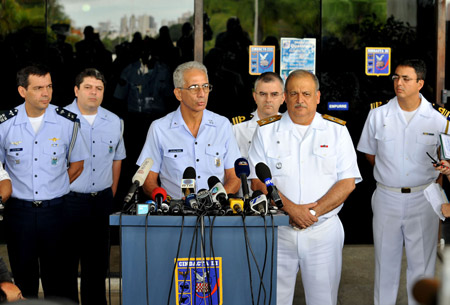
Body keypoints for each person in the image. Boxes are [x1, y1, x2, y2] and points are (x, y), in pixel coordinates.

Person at [248, 69, 361, 305]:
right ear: (285, 98)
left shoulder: (337, 131)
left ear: (318, 97)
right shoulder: (266, 130)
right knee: (273, 299)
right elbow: (257, 181)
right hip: (277, 230)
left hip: (323, 230)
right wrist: (291, 209)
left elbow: (347, 182)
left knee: (323, 300)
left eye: (307, 94)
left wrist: (311, 213)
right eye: (294, 93)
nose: (300, 99)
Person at [357, 59, 448, 305]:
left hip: (424, 196)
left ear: (420, 83)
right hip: (387, 196)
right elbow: (369, 154)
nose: (399, 83)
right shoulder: (378, 114)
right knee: (385, 263)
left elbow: (445, 160)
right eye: (396, 77)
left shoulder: (439, 119)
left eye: (406, 79)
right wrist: (393, 174)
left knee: (422, 266)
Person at [0, 65, 88, 300]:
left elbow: (77, 165)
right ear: (22, 91)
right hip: (19, 214)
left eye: (48, 86)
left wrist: (52, 186)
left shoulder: (67, 121)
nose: (46, 93)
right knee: (23, 282)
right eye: (38, 88)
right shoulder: (5, 124)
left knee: (58, 282)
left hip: (56, 212)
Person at [64, 68, 126, 304]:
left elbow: (117, 159)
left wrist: (110, 192)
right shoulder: (60, 118)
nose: (94, 92)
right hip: (67, 200)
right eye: (88, 87)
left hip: (100, 201)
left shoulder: (114, 121)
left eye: (99, 88)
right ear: (76, 90)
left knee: (97, 266)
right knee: (66, 264)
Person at [137, 61, 241, 198]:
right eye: (194, 87)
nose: (202, 93)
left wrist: (216, 200)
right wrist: (166, 202)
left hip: (215, 213)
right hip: (174, 213)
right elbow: (148, 180)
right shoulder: (159, 128)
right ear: (178, 93)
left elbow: (234, 178)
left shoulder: (222, 125)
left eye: (205, 86)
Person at [232, 72, 285, 159]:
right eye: (263, 94)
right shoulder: (238, 128)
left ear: (283, 98)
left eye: (274, 94)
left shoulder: (291, 127)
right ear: (255, 97)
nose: (268, 100)